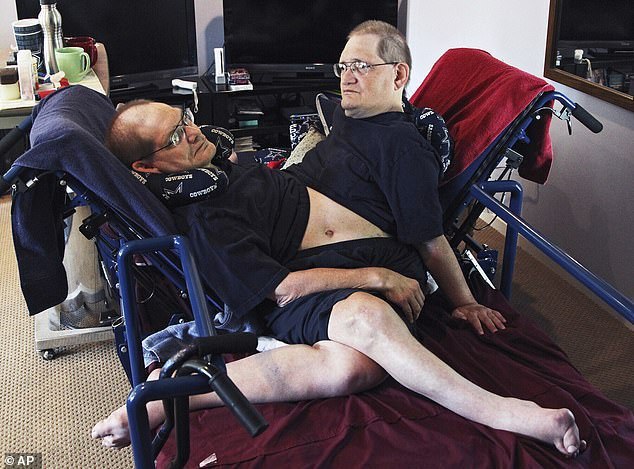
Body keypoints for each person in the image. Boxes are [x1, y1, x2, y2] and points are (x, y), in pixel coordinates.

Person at [92, 25, 585, 457]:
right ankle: (507, 413)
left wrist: (464, 301)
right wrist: (378, 277)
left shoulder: (383, 139)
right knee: (368, 322)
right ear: (146, 167)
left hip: (334, 254)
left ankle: (171, 392)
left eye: (184, 119)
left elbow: (429, 237)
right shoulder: (203, 215)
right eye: (174, 138)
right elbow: (279, 289)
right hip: (302, 283)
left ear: (398, 76)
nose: (192, 132)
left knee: (355, 368)